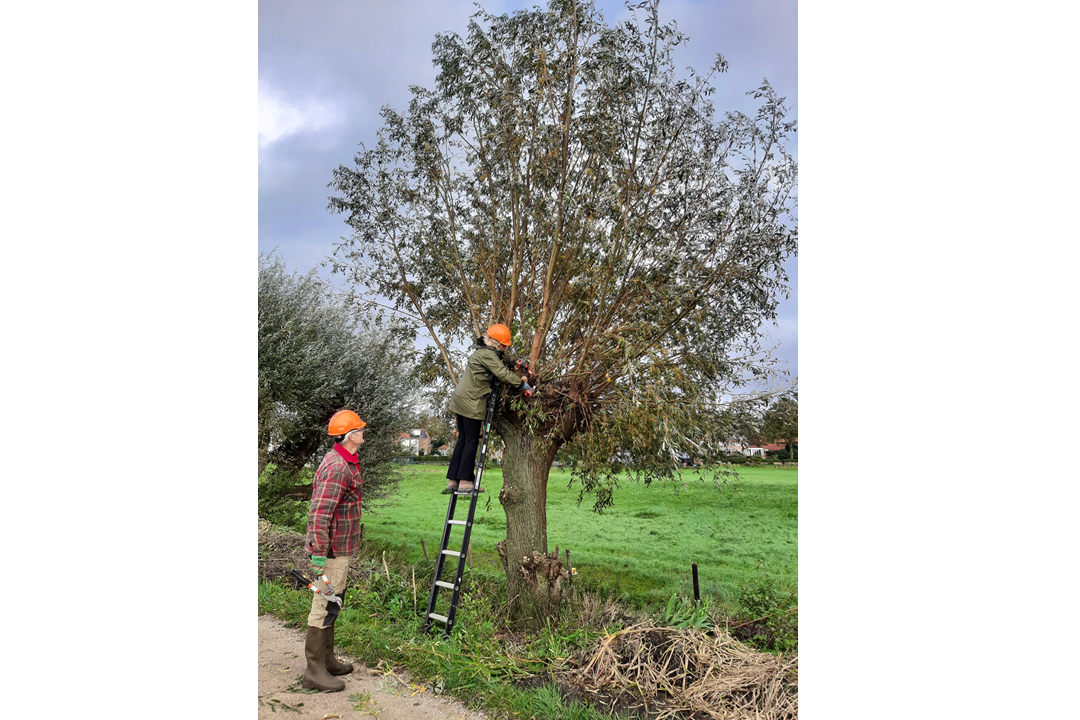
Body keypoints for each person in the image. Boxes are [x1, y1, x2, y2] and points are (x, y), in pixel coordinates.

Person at [301, 409, 366, 692]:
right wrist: (318, 552)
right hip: (331, 552)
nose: (364, 432)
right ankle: (314, 671)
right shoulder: (339, 466)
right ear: (351, 436)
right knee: (325, 603)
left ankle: (326, 660)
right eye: (360, 429)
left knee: (333, 602)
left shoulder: (343, 460)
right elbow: (319, 513)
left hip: (338, 549)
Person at [445, 324, 533, 494]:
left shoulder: (483, 351)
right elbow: (502, 373)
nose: (504, 349)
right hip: (472, 402)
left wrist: (516, 362)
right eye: (503, 346)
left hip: (460, 400)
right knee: (471, 441)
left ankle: (453, 481)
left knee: (463, 439)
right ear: (495, 343)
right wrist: (524, 385)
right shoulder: (488, 355)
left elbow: (501, 361)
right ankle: (465, 482)